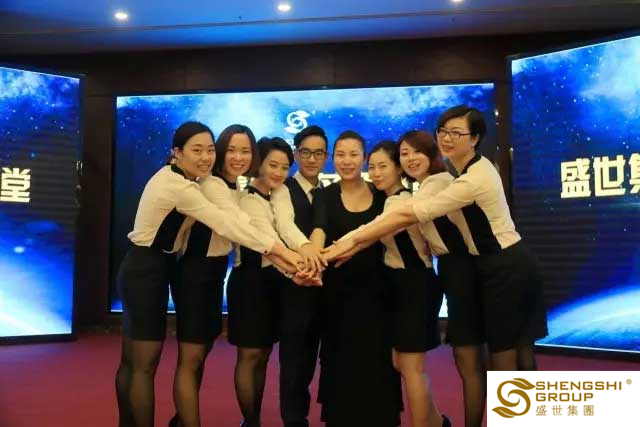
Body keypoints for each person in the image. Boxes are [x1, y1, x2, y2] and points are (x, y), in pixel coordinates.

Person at [324, 106, 548, 375]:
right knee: (512, 352)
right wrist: (346, 247)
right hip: (490, 265)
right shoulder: (458, 175)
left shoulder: (467, 179)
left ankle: (519, 404)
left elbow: (405, 215)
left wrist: (343, 245)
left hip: (507, 265)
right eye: (443, 132)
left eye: (456, 133)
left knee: (506, 356)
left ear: (474, 138)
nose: (447, 138)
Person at [115, 122, 302, 427]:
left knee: (138, 361)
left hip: (163, 267)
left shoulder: (196, 182)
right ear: (177, 152)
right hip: (154, 270)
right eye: (197, 150)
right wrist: (286, 256)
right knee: (145, 365)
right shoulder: (191, 186)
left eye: (209, 150)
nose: (206, 157)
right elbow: (230, 224)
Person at [310, 131, 403, 427]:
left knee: (378, 361)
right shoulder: (325, 195)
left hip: (378, 293)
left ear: (363, 159)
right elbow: (319, 228)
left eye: (353, 154)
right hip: (336, 296)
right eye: (340, 154)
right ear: (332, 158)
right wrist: (314, 255)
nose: (346, 161)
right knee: (340, 360)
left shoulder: (382, 195)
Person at [226, 137, 317, 427]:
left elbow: (288, 228)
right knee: (250, 354)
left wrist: (307, 250)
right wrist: (301, 269)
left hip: (275, 282)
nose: (279, 172)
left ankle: (252, 419)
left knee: (264, 353)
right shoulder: (248, 200)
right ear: (259, 163)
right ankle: (250, 421)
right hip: (249, 283)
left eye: (284, 167)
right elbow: (271, 246)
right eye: (272, 165)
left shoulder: (280, 192)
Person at [397, 130, 485, 427]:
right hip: (451, 269)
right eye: (404, 154)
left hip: (464, 270)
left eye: (417, 151)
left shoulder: (438, 182)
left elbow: (401, 217)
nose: (410, 159)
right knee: (467, 359)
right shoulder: (426, 186)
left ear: (432, 153)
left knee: (469, 359)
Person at [363, 140, 450, 427]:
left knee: (412, 367)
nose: (375, 173)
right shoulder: (391, 200)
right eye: (371, 167)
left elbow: (365, 236)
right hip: (400, 285)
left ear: (398, 169)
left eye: (383, 166)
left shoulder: (402, 202)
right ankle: (436, 422)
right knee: (402, 363)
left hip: (415, 285)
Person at [270, 125, 329, 427]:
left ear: (326, 156)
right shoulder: (283, 189)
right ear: (295, 154)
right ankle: (294, 420)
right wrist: (306, 257)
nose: (312, 159)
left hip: (327, 291)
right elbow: (284, 229)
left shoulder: (329, 192)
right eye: (305, 152)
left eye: (318, 153)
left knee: (320, 358)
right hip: (294, 287)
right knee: (295, 361)